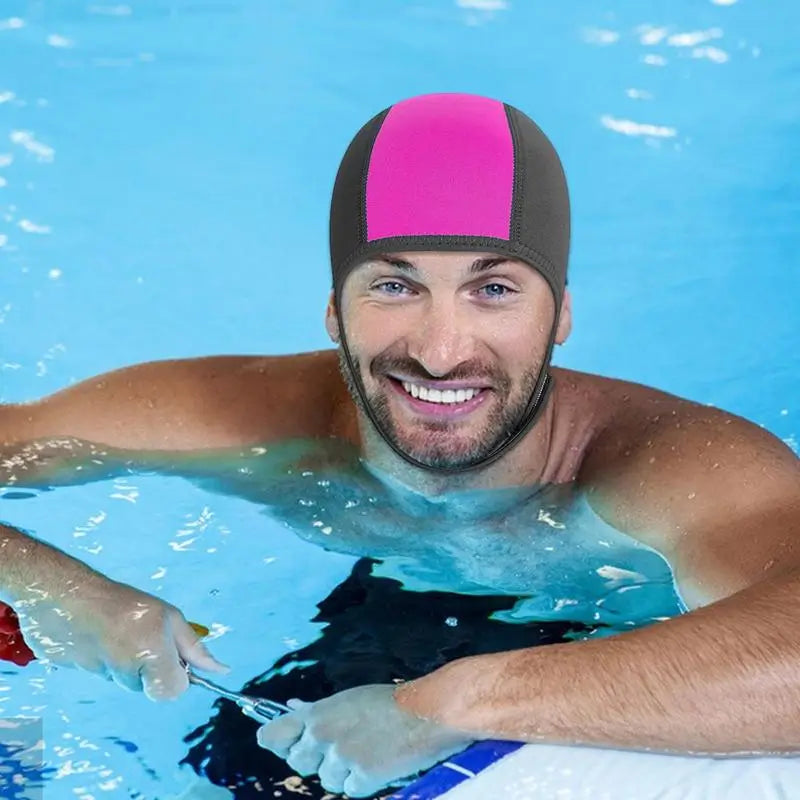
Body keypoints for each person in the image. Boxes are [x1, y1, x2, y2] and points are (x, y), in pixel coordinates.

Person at [1, 93, 798, 798]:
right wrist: (59, 590)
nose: (442, 351)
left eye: (494, 290)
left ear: (560, 317)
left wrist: (447, 705)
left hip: (626, 661)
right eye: (394, 285)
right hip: (380, 626)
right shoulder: (246, 419)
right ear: (333, 313)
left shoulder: (678, 468)